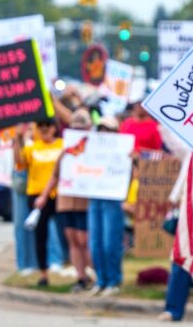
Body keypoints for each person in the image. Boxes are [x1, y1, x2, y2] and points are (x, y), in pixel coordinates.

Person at [37, 109, 95, 291]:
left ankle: (94, 274)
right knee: (72, 239)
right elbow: (55, 175)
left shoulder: (95, 149)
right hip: (66, 199)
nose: (78, 131)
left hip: (85, 200)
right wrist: (44, 195)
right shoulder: (66, 150)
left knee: (84, 239)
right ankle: (81, 277)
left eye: (81, 128)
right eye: (75, 128)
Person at [14, 120, 64, 287]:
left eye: (47, 126)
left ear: (54, 128)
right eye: (40, 127)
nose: (44, 130)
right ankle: (43, 273)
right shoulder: (33, 148)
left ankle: (68, 264)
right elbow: (20, 163)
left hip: (59, 195)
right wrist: (18, 139)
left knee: (68, 232)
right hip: (37, 197)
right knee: (40, 234)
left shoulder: (62, 145)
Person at [87, 116, 126, 296]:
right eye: (101, 129)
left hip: (113, 198)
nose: (104, 133)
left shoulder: (123, 150)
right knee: (95, 242)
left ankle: (113, 280)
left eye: (108, 130)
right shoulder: (92, 149)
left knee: (110, 242)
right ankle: (101, 280)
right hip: (95, 196)